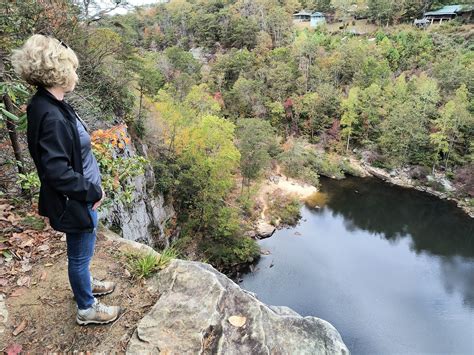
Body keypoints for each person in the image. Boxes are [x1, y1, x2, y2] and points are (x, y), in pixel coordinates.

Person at [11, 34, 120, 325]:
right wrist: (91, 190)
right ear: (58, 71)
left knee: (82, 253)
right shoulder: (53, 115)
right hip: (77, 199)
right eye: (71, 67)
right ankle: (86, 308)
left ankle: (85, 283)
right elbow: (56, 172)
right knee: (79, 256)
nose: (75, 73)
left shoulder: (47, 103)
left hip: (79, 196)